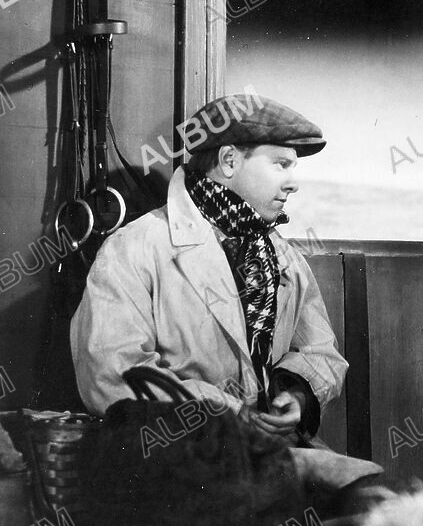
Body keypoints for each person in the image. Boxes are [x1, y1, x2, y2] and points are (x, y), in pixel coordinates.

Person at [70, 93, 381, 487]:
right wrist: (230, 413)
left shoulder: (282, 256)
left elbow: (321, 352)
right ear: (229, 160)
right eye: (281, 164)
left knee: (368, 490)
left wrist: (295, 396)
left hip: (271, 452)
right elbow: (111, 376)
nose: (293, 183)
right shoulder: (134, 248)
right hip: (179, 463)